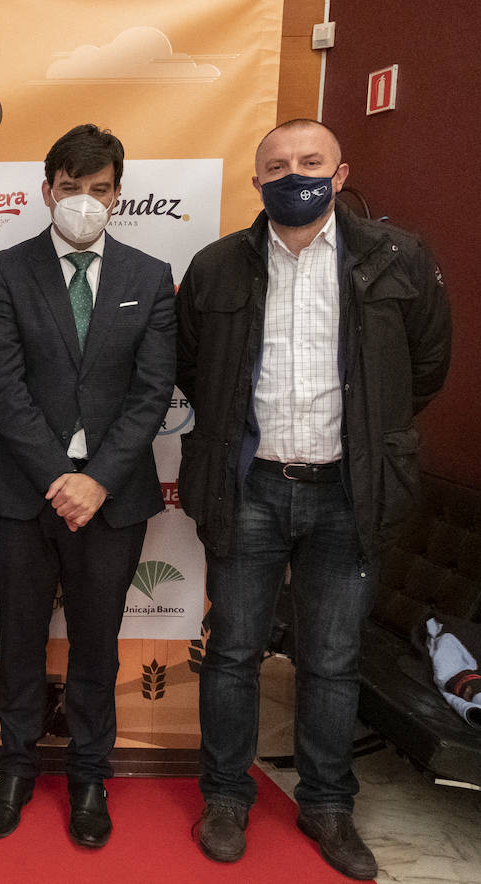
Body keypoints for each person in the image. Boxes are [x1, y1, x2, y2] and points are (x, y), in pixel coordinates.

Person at [178, 119, 450, 880]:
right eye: (277, 164)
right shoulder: (219, 267)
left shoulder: (399, 259)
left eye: (310, 162)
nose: (293, 173)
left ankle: (329, 805)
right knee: (233, 651)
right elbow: (195, 367)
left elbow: (425, 368)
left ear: (339, 173)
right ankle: (226, 796)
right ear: (257, 178)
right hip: (249, 486)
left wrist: (366, 436)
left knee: (332, 660)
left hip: (348, 492)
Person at [0, 124, 175, 848]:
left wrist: (98, 481)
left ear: (119, 194)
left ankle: (89, 776)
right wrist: (59, 476)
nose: (85, 200)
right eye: (71, 186)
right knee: (17, 638)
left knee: (97, 644)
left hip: (113, 499)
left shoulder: (149, 277)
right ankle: (14, 768)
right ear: (46, 189)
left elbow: (151, 394)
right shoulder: (4, 271)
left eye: (100, 188)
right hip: (21, 491)